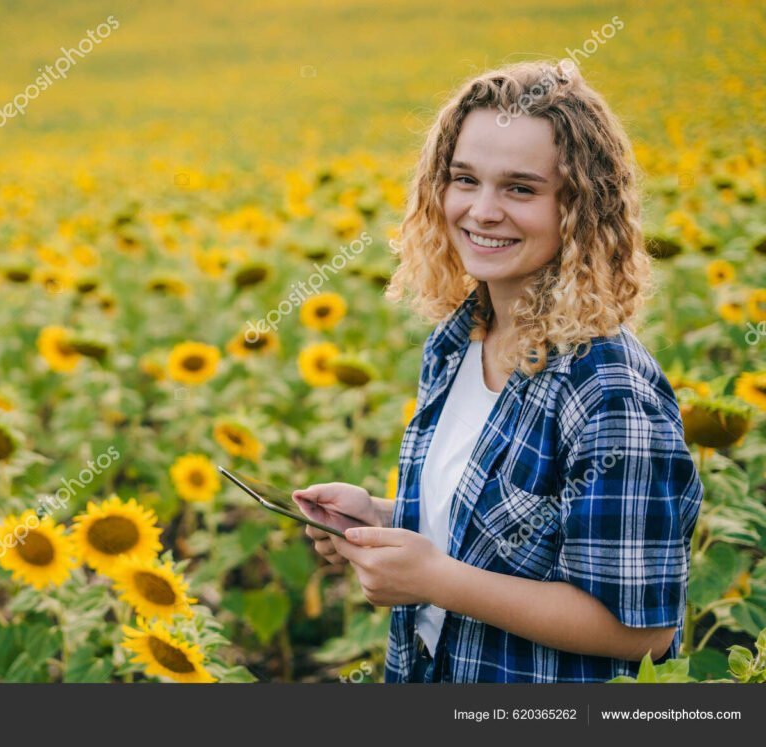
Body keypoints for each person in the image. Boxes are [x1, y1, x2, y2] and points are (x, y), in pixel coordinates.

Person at [295, 60, 704, 683]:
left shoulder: (608, 392)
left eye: (520, 188)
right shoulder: (458, 342)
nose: (482, 210)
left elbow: (640, 631)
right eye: (465, 179)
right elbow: (498, 532)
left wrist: (437, 580)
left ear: (580, 209)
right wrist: (381, 520)